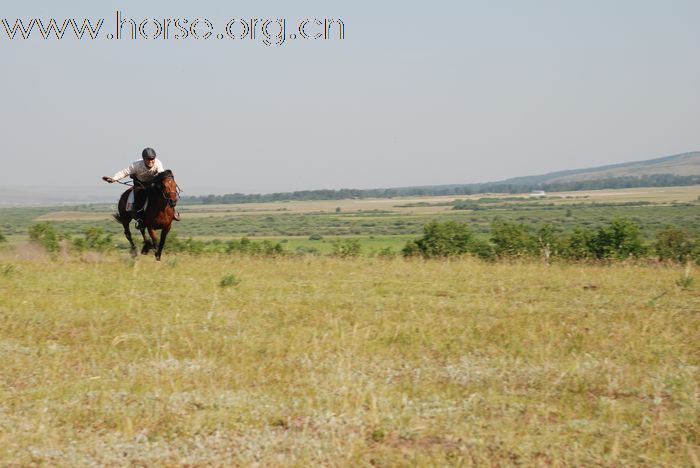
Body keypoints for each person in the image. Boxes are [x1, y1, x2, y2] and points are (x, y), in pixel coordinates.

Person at [103, 147, 165, 230]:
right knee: (138, 195)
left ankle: (172, 213)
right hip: (140, 183)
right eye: (148, 159)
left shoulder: (158, 163)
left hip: (152, 182)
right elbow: (125, 172)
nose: (151, 161)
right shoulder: (136, 165)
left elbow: (161, 174)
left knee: (164, 191)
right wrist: (114, 178)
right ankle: (140, 219)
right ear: (143, 159)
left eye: (152, 158)